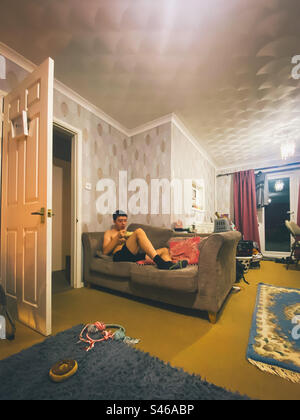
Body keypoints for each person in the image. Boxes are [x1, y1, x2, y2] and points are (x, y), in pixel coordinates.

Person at [103, 210, 188, 270]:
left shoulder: (126, 232)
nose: (123, 223)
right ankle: (161, 263)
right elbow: (105, 251)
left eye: (125, 221)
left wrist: (130, 239)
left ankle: (169, 265)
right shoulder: (110, 233)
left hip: (133, 256)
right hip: (119, 256)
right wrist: (117, 238)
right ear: (114, 221)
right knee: (139, 231)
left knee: (164, 250)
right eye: (120, 221)